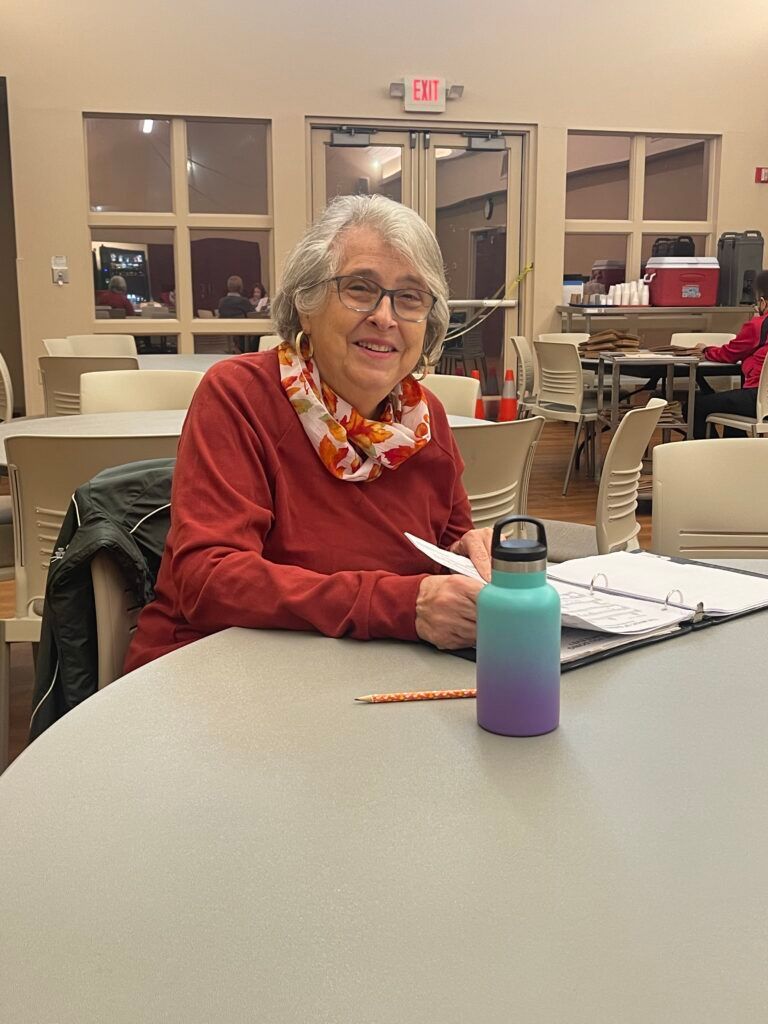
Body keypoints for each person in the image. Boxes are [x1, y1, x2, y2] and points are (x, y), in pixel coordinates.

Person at [125, 194, 491, 672]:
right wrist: (402, 605)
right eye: (360, 288)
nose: (386, 317)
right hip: (222, 671)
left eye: (410, 297)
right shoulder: (240, 395)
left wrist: (470, 554)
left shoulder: (424, 420)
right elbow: (208, 579)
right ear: (306, 305)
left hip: (373, 669)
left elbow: (448, 539)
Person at [692, 270, 768, 438]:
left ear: (763, 302)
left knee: (694, 406)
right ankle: (734, 454)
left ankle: (710, 454)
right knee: (733, 404)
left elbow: (730, 354)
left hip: (759, 398)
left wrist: (706, 350)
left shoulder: (759, 325)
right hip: (759, 399)